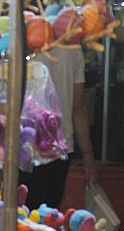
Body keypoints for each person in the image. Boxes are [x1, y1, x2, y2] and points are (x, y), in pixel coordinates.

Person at [20, 46, 97, 209]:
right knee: (49, 216)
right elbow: (78, 107)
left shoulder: (26, 41)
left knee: (23, 217)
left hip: (26, 145)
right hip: (61, 147)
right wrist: (88, 156)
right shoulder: (74, 49)